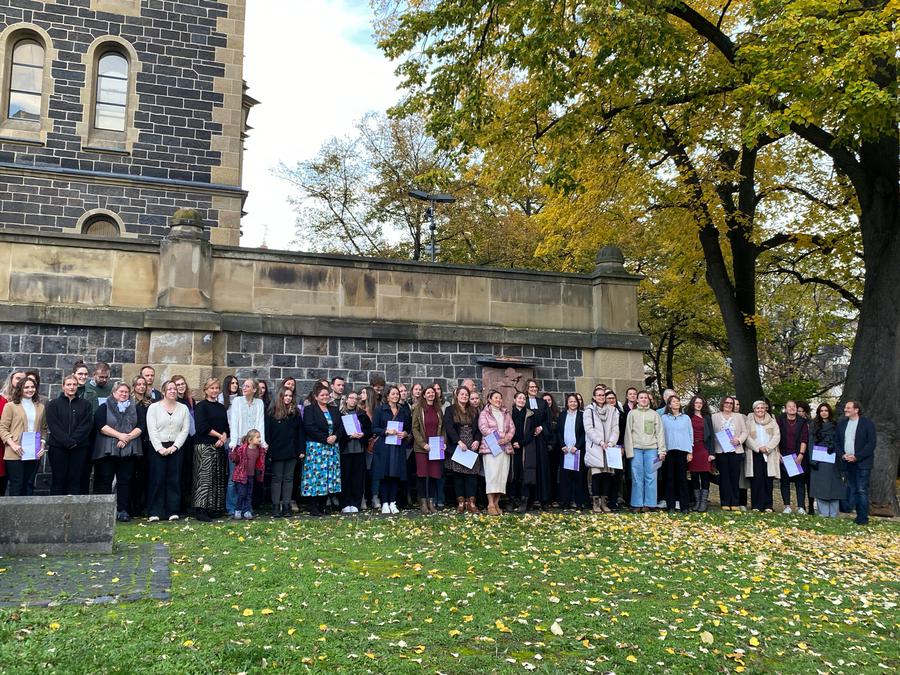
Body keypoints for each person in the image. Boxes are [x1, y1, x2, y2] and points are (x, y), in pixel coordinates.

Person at [92, 381, 143, 522]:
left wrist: (126, 438)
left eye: (126, 392)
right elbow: (100, 425)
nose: (124, 394)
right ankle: (104, 510)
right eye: (121, 391)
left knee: (125, 481)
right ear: (114, 393)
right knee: (105, 480)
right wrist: (119, 435)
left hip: (129, 449)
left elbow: (141, 425)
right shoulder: (104, 407)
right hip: (108, 449)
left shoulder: (135, 408)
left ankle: (123, 510)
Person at [146, 381, 191, 521]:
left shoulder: (183, 408)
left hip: (176, 447)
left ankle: (173, 510)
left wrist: (175, 447)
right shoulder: (154, 408)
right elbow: (152, 429)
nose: (172, 391)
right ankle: (155, 511)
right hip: (157, 447)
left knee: (174, 479)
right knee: (157, 478)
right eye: (169, 389)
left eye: (174, 389)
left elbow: (185, 430)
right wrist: (160, 448)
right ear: (163, 392)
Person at [45, 373, 94, 496]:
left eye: (74, 384)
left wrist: (74, 441)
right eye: (68, 385)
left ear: (77, 386)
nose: (72, 387)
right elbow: (54, 425)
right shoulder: (53, 404)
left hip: (79, 448)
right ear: (63, 387)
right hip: (58, 448)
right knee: (58, 479)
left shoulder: (85, 404)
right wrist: (66, 441)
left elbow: (86, 424)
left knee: (76, 479)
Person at [301, 382, 344, 516]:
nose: (325, 397)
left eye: (327, 395)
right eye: (322, 395)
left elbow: (341, 427)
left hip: (331, 448)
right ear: (316, 396)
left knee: (328, 477)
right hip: (317, 448)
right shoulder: (310, 410)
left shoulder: (334, 410)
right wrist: (326, 438)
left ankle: (323, 504)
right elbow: (309, 427)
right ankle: (313, 506)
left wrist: (335, 436)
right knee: (315, 477)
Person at [0, 376, 48, 496]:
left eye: (32, 387)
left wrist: (42, 445)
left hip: (33, 453)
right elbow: (3, 428)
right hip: (15, 452)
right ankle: (14, 514)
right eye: (26, 387)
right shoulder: (10, 406)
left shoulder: (40, 407)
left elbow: (43, 429)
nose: (30, 389)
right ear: (20, 389)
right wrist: (13, 445)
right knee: (17, 485)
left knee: (28, 485)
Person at [192, 378, 230, 521]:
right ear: (206, 390)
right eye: (211, 388)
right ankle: (201, 509)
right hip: (204, 445)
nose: (214, 390)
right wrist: (219, 436)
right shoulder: (201, 406)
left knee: (217, 477)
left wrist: (223, 437)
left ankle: (214, 508)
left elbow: (226, 426)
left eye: (216, 388)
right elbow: (202, 427)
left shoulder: (221, 407)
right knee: (204, 478)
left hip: (218, 446)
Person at [227, 378, 267, 514]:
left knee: (249, 478)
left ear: (254, 389)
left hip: (253, 445)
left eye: (247, 386)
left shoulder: (259, 403)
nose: (244, 388)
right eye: (243, 386)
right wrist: (233, 442)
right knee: (234, 478)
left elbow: (260, 422)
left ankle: (246, 508)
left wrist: (261, 442)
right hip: (239, 444)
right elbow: (234, 422)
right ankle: (233, 508)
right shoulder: (237, 401)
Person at [623, 390, 666, 512]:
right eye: (641, 397)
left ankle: (650, 503)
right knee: (637, 477)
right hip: (636, 449)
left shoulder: (654, 414)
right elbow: (628, 433)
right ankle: (637, 503)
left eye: (645, 398)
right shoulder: (632, 414)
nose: (643, 399)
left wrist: (662, 451)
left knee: (652, 476)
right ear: (637, 400)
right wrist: (629, 451)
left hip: (651, 449)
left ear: (649, 400)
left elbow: (660, 433)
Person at [836, 400, 877, 526]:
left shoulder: (867, 424)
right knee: (852, 488)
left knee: (861, 490)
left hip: (862, 463)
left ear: (856, 410)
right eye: (845, 408)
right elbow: (836, 442)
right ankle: (851, 511)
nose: (845, 410)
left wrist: (856, 457)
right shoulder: (842, 424)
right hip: (847, 462)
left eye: (848, 408)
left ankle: (863, 518)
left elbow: (871, 444)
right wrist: (843, 455)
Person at [372, 385, 411, 515]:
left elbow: (408, 428)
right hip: (384, 446)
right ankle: (384, 503)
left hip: (398, 446)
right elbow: (374, 428)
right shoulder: (380, 410)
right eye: (393, 394)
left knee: (395, 475)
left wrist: (405, 433)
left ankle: (393, 502)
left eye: (397, 394)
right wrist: (386, 431)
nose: (395, 396)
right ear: (387, 396)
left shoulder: (403, 411)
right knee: (384, 475)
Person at [444, 385, 482, 514]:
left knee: (472, 475)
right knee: (458, 475)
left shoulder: (474, 410)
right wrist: (459, 442)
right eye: (462, 394)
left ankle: (471, 502)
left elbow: (478, 428)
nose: (464, 397)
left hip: (472, 445)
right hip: (458, 445)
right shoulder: (450, 410)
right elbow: (449, 428)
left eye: (466, 395)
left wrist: (477, 440)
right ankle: (461, 503)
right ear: (457, 396)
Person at [478, 390, 515, 516]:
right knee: (492, 475)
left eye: (500, 398)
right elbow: (483, 428)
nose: (498, 400)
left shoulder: (505, 413)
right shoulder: (484, 413)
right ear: (490, 399)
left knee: (502, 476)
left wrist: (507, 438)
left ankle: (497, 502)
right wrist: (499, 436)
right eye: (496, 398)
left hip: (505, 448)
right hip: (491, 447)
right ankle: (490, 504)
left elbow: (512, 428)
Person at [583, 385, 619, 513]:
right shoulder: (589, 410)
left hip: (609, 448)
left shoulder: (612, 410)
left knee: (607, 475)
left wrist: (610, 442)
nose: (601, 397)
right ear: (594, 397)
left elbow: (615, 428)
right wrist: (600, 442)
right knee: (596, 476)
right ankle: (596, 503)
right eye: (598, 395)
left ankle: (604, 502)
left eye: (603, 395)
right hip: (596, 447)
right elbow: (589, 429)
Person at [711, 396, 748, 511]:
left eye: (731, 403)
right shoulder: (714, 417)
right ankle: (725, 502)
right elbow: (711, 433)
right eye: (726, 403)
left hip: (735, 451)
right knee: (724, 478)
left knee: (734, 477)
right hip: (721, 451)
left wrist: (739, 440)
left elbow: (745, 432)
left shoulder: (738, 417)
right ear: (722, 404)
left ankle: (735, 502)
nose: (728, 405)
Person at [411, 385, 444, 514]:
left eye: (433, 393)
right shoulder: (418, 409)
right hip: (422, 448)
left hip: (435, 448)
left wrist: (443, 442)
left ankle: (431, 502)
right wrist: (422, 443)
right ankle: (423, 502)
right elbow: (414, 428)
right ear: (424, 395)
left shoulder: (438, 410)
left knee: (433, 475)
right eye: (428, 393)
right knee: (422, 474)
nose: (431, 394)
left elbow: (443, 429)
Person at [745, 400, 781, 513]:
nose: (760, 410)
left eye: (762, 408)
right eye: (757, 408)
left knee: (768, 480)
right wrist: (757, 447)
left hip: (769, 453)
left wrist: (768, 447)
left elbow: (777, 436)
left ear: (765, 409)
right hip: (755, 453)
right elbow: (747, 436)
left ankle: (768, 505)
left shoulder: (772, 421)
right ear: (754, 410)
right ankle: (756, 505)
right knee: (756, 480)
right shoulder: (749, 422)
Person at [808, 403, 843, 518]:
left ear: (829, 412)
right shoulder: (814, 425)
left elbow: (840, 441)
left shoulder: (836, 425)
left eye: (826, 410)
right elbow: (811, 442)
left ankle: (833, 514)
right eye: (821, 410)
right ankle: (822, 513)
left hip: (832, 460)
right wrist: (812, 460)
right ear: (818, 412)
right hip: (819, 461)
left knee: (834, 487)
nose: (824, 412)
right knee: (820, 487)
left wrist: (834, 448)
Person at [338, 391, 370, 514]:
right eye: (351, 398)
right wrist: (348, 436)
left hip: (359, 450)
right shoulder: (340, 414)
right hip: (345, 450)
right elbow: (338, 431)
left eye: (356, 398)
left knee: (357, 478)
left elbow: (369, 430)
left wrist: (363, 434)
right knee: (345, 478)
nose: (353, 400)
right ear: (346, 400)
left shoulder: (361, 414)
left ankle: (356, 503)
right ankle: (345, 503)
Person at [661, 395, 693, 513]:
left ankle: (684, 506)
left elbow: (690, 434)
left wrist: (690, 451)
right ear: (669, 405)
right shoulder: (664, 418)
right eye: (673, 401)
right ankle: (671, 505)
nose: (676, 403)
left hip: (682, 451)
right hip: (669, 451)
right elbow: (661, 434)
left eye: (677, 401)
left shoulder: (686, 418)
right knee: (669, 479)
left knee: (682, 479)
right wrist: (662, 451)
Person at [777, 400, 810, 514]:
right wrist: (778, 453)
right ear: (785, 409)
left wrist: (801, 455)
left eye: (794, 406)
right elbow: (776, 437)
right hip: (783, 454)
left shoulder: (802, 422)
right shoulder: (779, 420)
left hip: (798, 455)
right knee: (784, 482)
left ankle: (801, 507)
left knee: (800, 482)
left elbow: (804, 439)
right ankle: (787, 506)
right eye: (789, 407)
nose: (792, 408)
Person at [524, 379, 551, 509]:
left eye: (535, 387)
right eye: (531, 387)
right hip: (528, 440)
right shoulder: (523, 401)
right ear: (527, 388)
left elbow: (548, 420)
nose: (534, 389)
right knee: (530, 469)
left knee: (542, 469)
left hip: (540, 440)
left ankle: (544, 499)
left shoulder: (543, 403)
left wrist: (541, 428)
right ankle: (530, 499)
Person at [557, 393, 587, 510]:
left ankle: (578, 503)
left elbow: (584, 433)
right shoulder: (562, 415)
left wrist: (577, 446)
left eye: (575, 401)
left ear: (578, 403)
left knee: (578, 478)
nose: (573, 403)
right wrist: (562, 445)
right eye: (570, 401)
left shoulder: (582, 415)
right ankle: (565, 502)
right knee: (565, 478)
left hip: (577, 451)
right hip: (565, 451)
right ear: (567, 403)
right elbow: (558, 431)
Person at [510, 391, 537, 513]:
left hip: (525, 448)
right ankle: (512, 500)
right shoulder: (508, 414)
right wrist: (511, 443)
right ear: (514, 400)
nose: (521, 400)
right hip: (511, 448)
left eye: (523, 399)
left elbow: (531, 433)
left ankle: (524, 501)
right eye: (519, 398)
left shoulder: (530, 415)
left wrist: (520, 443)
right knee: (513, 474)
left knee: (525, 475)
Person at [229, 429, 266, 520]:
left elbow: (260, 461)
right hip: (241, 476)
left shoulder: (259, 450)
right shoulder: (242, 449)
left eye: (259, 437)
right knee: (242, 494)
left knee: (249, 494)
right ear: (250, 440)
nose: (259, 439)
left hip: (251, 476)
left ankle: (247, 511)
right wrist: (233, 452)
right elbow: (235, 459)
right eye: (257, 437)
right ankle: (238, 510)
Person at [686, 395, 714, 512]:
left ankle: (703, 502)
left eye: (700, 403)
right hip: (692, 448)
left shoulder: (707, 417)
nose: (698, 405)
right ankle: (697, 502)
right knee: (694, 475)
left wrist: (711, 453)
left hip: (704, 448)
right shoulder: (688, 417)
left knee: (704, 475)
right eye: (696, 403)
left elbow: (711, 435)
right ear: (693, 404)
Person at [130, 375, 153, 516]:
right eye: (138, 384)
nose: (141, 387)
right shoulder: (129, 402)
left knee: (145, 475)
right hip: (133, 440)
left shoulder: (150, 403)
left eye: (143, 384)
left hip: (146, 441)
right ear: (134, 386)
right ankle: (132, 506)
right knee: (132, 474)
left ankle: (142, 506)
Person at [602, 390, 626, 511]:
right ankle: (604, 500)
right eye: (608, 398)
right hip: (604, 447)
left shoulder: (621, 414)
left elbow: (623, 432)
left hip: (617, 448)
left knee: (616, 475)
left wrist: (622, 446)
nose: (611, 400)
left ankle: (614, 500)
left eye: (613, 398)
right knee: (606, 475)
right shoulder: (601, 414)